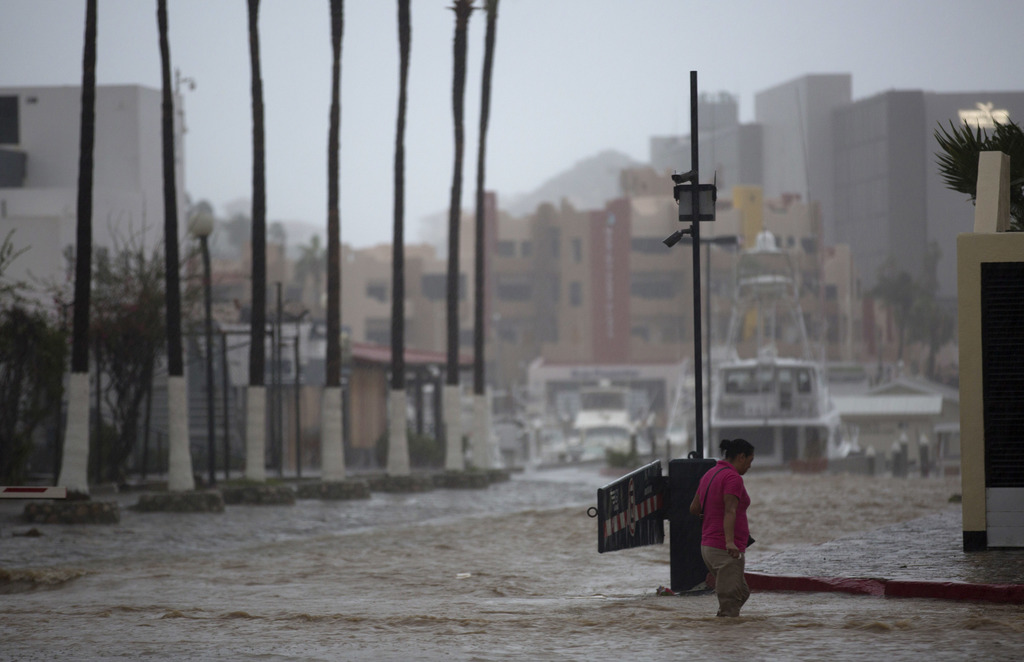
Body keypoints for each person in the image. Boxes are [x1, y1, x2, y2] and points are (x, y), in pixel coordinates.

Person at [688, 438, 755, 617]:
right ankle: (725, 641)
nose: (749, 467)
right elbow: (730, 511)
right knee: (730, 602)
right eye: (749, 462)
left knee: (742, 593)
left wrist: (709, 515)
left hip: (708, 547)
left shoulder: (709, 474)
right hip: (724, 550)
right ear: (741, 457)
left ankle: (723, 633)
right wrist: (730, 542)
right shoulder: (733, 478)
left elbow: (694, 508)